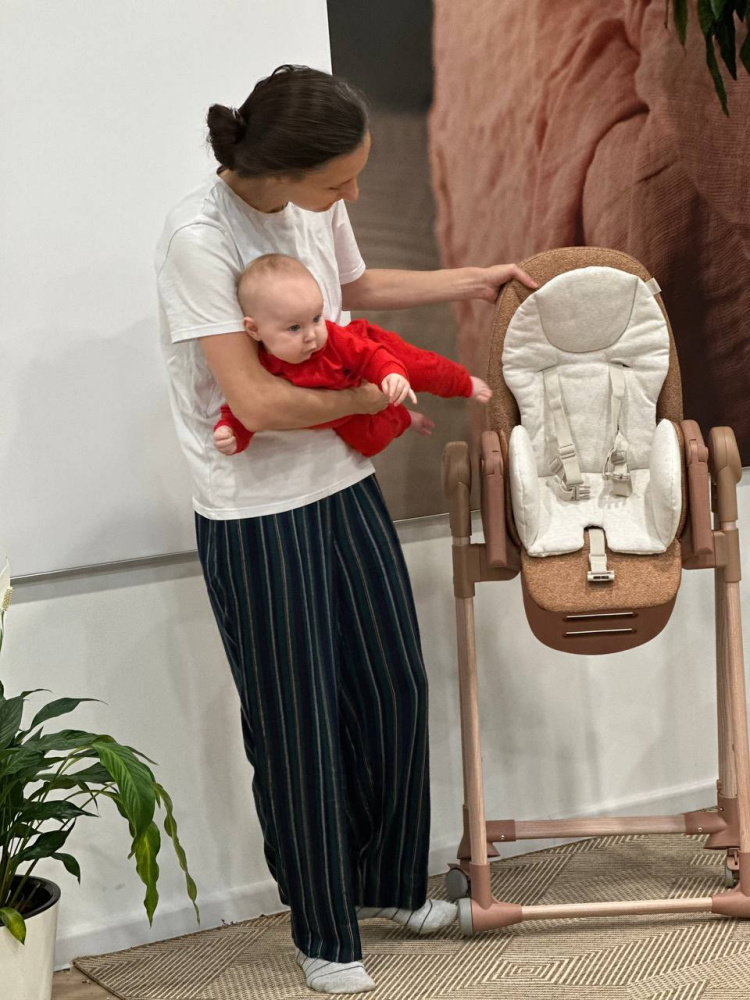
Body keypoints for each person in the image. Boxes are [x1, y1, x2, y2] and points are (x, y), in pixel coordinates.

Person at [155, 63, 538, 995]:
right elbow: (255, 399)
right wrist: (377, 398)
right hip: (255, 514)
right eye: (339, 184)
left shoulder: (310, 206)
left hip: (343, 485)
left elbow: (356, 286)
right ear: (281, 171)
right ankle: (326, 935)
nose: (353, 197)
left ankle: (391, 888)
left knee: (395, 688)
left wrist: (475, 277)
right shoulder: (200, 241)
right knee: (299, 723)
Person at [212, 253, 492, 458]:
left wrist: (391, 372)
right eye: (294, 328)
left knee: (419, 368)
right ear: (254, 329)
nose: (311, 335)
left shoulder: (333, 339)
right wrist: (232, 433)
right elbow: (240, 408)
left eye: (316, 318)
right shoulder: (260, 366)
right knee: (370, 441)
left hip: (366, 354)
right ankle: (404, 418)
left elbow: (371, 356)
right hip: (343, 408)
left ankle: (464, 383)